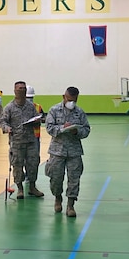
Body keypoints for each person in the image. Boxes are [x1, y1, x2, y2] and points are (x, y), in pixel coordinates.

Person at [45, 86, 91, 218]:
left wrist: (77, 131)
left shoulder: (79, 112)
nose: (71, 102)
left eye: (74, 100)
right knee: (55, 178)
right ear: (63, 97)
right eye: (69, 99)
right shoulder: (54, 110)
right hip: (57, 150)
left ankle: (70, 205)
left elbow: (86, 130)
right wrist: (61, 128)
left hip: (74, 151)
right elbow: (48, 128)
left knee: (74, 179)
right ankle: (57, 198)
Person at [0, 81, 45, 199]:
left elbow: (37, 118)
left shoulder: (31, 107)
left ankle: (32, 187)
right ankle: (19, 188)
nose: (22, 91)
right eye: (19, 89)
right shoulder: (9, 107)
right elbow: (2, 121)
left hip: (31, 140)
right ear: (15, 91)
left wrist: (36, 121)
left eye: (23, 89)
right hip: (17, 141)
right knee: (17, 165)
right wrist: (7, 128)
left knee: (33, 164)